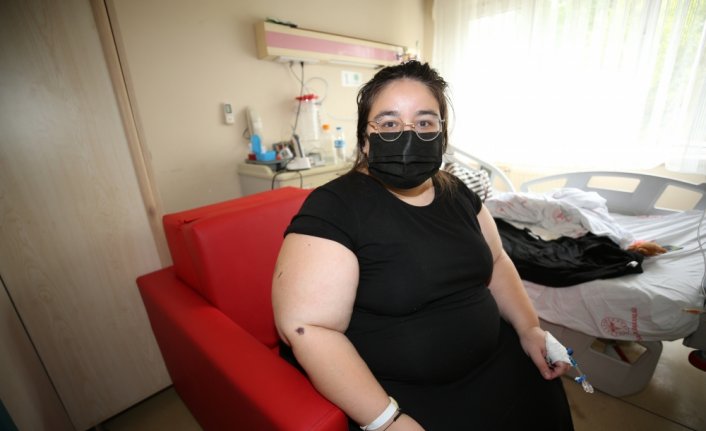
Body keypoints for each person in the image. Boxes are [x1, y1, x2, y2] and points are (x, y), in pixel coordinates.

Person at [272, 60, 575, 430]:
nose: (409, 135)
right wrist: (386, 420)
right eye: (389, 123)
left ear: (442, 135)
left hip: (496, 364)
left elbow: (496, 261)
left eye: (425, 122)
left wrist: (529, 330)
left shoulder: (458, 193)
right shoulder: (335, 208)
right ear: (365, 140)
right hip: (401, 394)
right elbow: (308, 328)